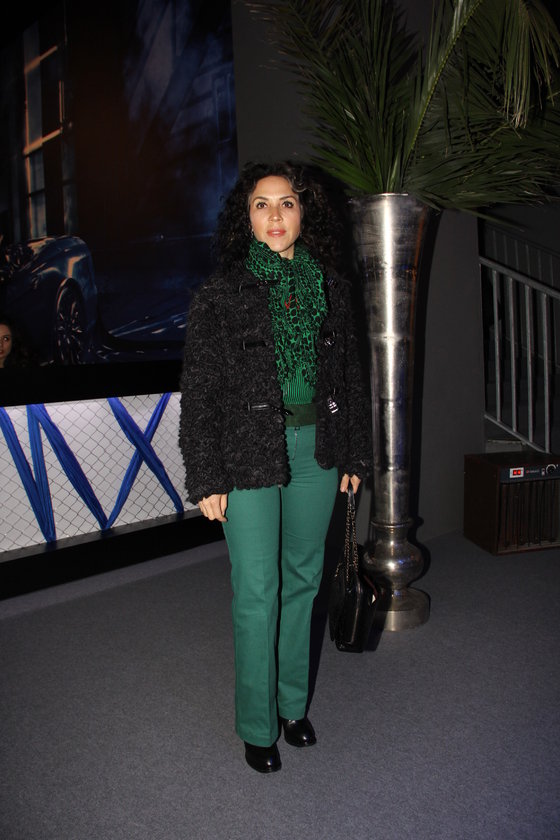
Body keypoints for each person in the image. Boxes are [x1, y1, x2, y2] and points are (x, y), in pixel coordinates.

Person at [179, 161, 371, 773]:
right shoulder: (220, 295)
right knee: (257, 589)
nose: (275, 216)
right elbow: (200, 393)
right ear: (247, 217)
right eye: (261, 205)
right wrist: (206, 475)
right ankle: (258, 725)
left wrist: (354, 452)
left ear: (304, 212)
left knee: (305, 580)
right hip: (247, 453)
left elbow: (349, 379)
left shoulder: (331, 289)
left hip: (318, 450)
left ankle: (292, 706)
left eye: (287, 203)